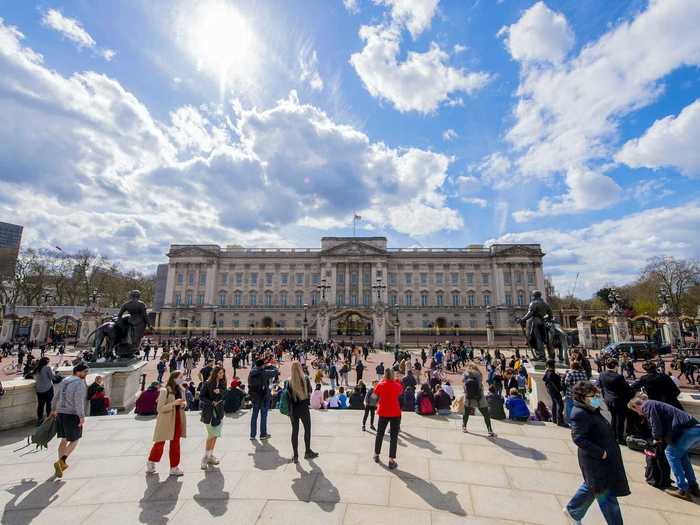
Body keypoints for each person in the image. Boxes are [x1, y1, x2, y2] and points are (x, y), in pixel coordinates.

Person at [564, 381, 629, 525]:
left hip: (602, 458)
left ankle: (573, 510)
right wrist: (601, 453)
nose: (597, 398)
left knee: (593, 486)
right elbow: (578, 438)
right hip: (596, 460)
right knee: (606, 494)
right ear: (582, 397)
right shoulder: (579, 413)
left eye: (597, 394)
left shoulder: (592, 408)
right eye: (592, 395)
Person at [628, 394, 700, 500]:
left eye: (636, 411)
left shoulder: (647, 405)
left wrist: (656, 438)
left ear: (635, 406)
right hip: (694, 429)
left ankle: (683, 489)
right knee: (683, 456)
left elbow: (655, 423)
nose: (639, 414)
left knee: (670, 454)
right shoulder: (654, 404)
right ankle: (693, 486)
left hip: (687, 431)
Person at [50, 363, 89, 478]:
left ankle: (60, 466)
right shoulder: (79, 383)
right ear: (78, 372)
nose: (87, 374)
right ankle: (62, 461)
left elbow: (56, 395)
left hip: (61, 413)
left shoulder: (64, 380)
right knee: (75, 439)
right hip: (72, 415)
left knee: (64, 439)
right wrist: (81, 416)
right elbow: (78, 401)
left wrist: (53, 408)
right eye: (85, 371)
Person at [146, 371, 188, 476]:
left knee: (175, 444)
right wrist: (173, 403)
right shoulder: (165, 391)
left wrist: (183, 404)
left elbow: (184, 403)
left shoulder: (181, 389)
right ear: (174, 378)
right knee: (160, 442)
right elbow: (159, 408)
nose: (182, 379)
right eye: (180, 377)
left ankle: (174, 467)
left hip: (178, 418)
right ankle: (151, 461)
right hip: (166, 419)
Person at [286, 361, 319, 463]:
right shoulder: (305, 378)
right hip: (303, 407)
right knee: (307, 429)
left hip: (293, 408)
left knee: (294, 431)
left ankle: (295, 455)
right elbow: (309, 392)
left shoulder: (288, 381)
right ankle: (307, 451)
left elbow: (287, 395)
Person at [373, 368, 403, 469]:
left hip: (383, 411)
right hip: (395, 412)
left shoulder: (381, 385)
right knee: (394, 437)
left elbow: (374, 396)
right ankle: (391, 460)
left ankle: (376, 454)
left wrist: (381, 382)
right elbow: (399, 392)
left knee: (380, 434)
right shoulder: (397, 385)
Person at [598, 359, 632, 445]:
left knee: (613, 418)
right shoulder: (619, 377)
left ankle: (613, 435)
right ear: (615, 366)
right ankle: (619, 438)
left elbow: (600, 386)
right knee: (620, 420)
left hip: (608, 400)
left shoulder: (602, 374)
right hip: (618, 401)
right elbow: (627, 390)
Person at [199, 366, 225, 470]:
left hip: (219, 413)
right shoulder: (207, 383)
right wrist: (211, 402)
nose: (222, 375)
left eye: (222, 373)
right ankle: (205, 457)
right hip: (209, 413)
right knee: (211, 435)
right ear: (215, 374)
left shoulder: (223, 383)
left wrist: (221, 392)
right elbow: (201, 396)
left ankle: (210, 455)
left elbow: (225, 394)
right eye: (220, 373)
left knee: (215, 435)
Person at [247, 358, 278, 440]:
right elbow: (276, 371)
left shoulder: (251, 372)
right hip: (264, 397)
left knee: (254, 416)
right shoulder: (264, 372)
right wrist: (271, 365)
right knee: (263, 416)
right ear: (262, 365)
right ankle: (263, 434)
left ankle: (252, 435)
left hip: (254, 397)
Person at [462, 363, 496, 436]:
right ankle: (489, 430)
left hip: (468, 397)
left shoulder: (465, 374)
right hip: (479, 397)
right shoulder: (479, 374)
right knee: (485, 414)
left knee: (466, 412)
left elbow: (464, 386)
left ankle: (464, 427)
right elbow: (480, 385)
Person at [542, 360, 566, 426]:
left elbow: (544, 379)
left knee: (554, 404)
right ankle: (560, 420)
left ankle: (554, 419)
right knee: (561, 405)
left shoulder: (548, 373)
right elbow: (559, 386)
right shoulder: (553, 374)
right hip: (556, 392)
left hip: (550, 391)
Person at [33, 356, 56, 425]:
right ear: (47, 362)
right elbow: (52, 377)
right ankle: (48, 419)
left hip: (39, 389)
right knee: (48, 404)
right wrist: (53, 370)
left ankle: (40, 419)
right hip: (48, 388)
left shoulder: (37, 368)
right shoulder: (47, 368)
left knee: (40, 405)